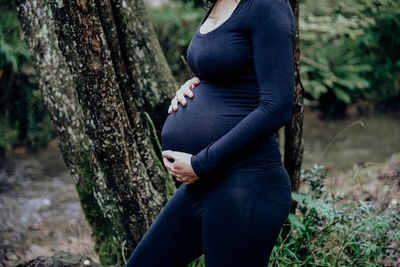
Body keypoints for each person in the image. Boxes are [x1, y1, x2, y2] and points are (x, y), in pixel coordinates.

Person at [126, 0, 296, 266]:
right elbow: (232, 71)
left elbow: (277, 107)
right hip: (205, 185)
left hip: (246, 184)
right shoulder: (219, 3)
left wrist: (200, 164)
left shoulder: (266, 5)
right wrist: (195, 85)